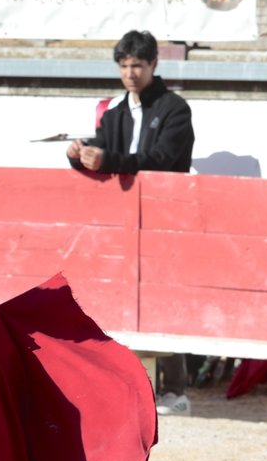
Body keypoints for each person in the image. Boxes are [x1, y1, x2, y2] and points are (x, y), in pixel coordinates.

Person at [66, 30, 195, 417]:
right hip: (122, 218)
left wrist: (107, 160)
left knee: (163, 298)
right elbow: (107, 146)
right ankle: (127, 385)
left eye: (137, 65)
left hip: (165, 217)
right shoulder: (117, 111)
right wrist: (79, 153)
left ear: (154, 64)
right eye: (124, 66)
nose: (130, 73)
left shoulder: (175, 109)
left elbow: (161, 159)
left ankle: (175, 389)